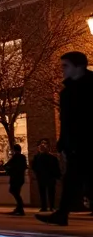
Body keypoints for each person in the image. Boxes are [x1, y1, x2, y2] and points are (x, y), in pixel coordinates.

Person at [38, 52, 92, 226]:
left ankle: (62, 214)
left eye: (65, 66)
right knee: (72, 180)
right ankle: (61, 214)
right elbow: (65, 120)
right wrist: (63, 142)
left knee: (76, 180)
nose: (62, 69)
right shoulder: (66, 91)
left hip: (87, 142)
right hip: (76, 145)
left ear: (79, 66)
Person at [31, 139, 60, 213]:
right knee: (50, 192)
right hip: (49, 177)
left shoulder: (38, 157)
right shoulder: (52, 157)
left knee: (43, 192)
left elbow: (34, 167)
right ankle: (50, 207)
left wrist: (37, 174)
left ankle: (45, 207)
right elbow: (56, 168)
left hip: (43, 177)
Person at [4, 143, 28, 216]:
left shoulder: (15, 157)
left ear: (15, 150)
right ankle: (19, 208)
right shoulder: (23, 157)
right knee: (16, 192)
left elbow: (7, 165)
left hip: (15, 178)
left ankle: (20, 207)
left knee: (14, 191)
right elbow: (24, 167)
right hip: (20, 178)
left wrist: (9, 169)